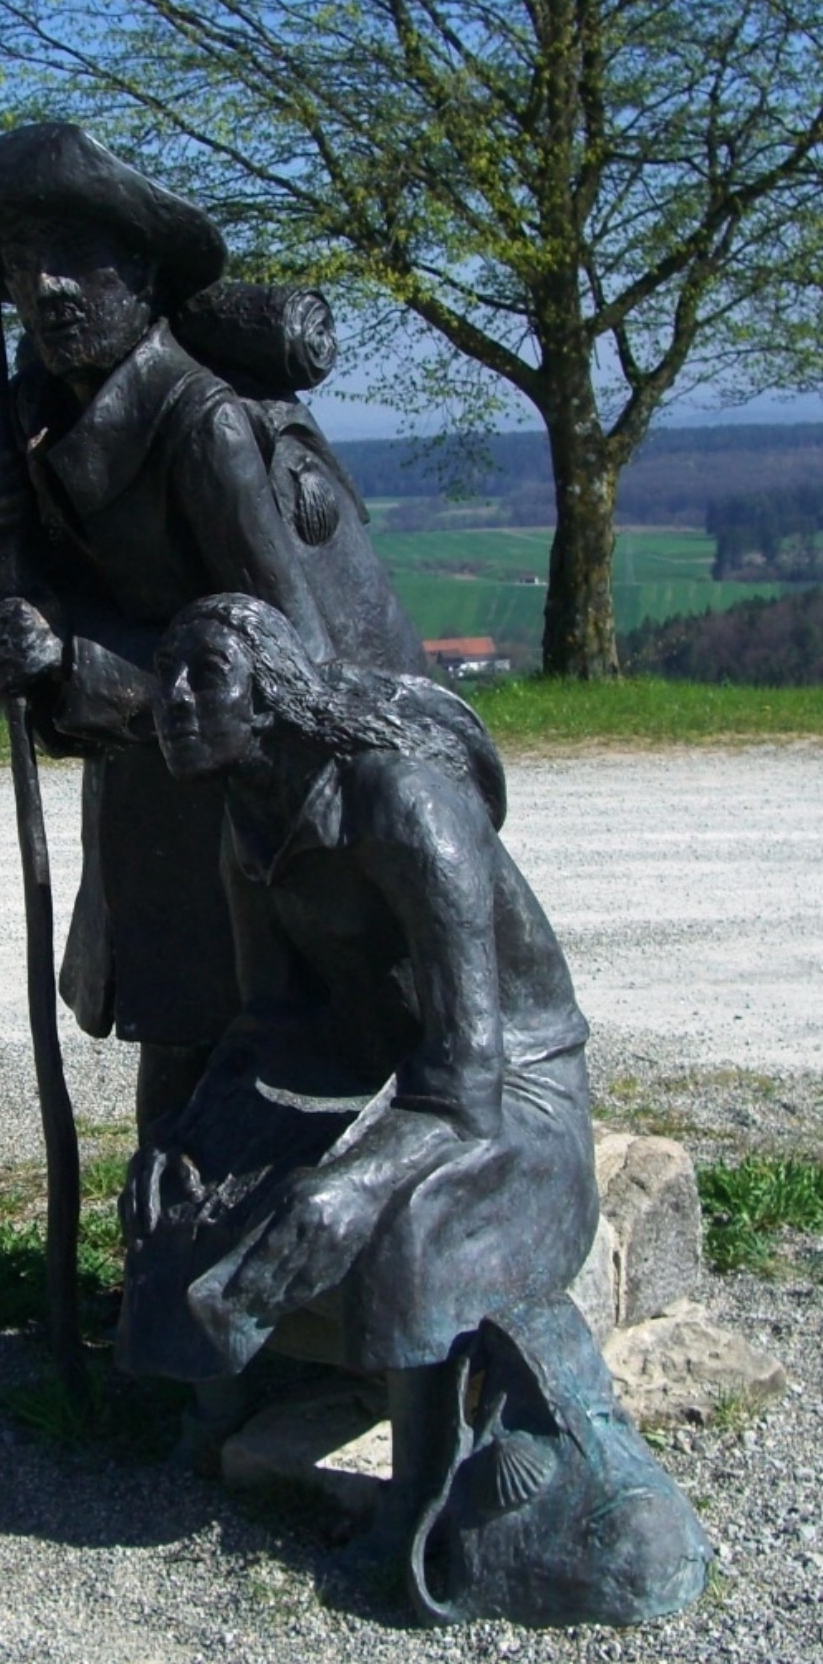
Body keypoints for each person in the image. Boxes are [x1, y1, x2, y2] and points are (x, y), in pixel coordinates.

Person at [120, 595, 708, 1626]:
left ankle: (418, 1511)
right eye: (166, 675)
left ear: (271, 692)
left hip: (511, 1083)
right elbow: (273, 1023)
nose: (172, 700)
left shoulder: (403, 804)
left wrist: (355, 1182)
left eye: (202, 676)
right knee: (192, 1182)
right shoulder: (249, 820)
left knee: (408, 1231)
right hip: (383, 1062)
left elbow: (468, 1068)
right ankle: (218, 1407)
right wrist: (191, 1135)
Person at [0, 122, 426, 1126]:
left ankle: (215, 1260)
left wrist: (74, 663)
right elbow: (36, 603)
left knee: (241, 1063)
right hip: (168, 809)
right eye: (24, 267)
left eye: (76, 259)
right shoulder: (42, 417)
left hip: (266, 824)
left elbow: (297, 678)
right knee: (184, 1056)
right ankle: (173, 1257)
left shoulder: (204, 428)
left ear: (144, 272)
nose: (48, 289)